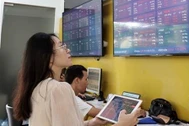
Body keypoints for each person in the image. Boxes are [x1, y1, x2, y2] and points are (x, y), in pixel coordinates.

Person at [12, 32, 141, 126]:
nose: (67, 49)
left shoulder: (39, 87)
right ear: (49, 57)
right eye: (62, 46)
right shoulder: (59, 88)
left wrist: (91, 123)